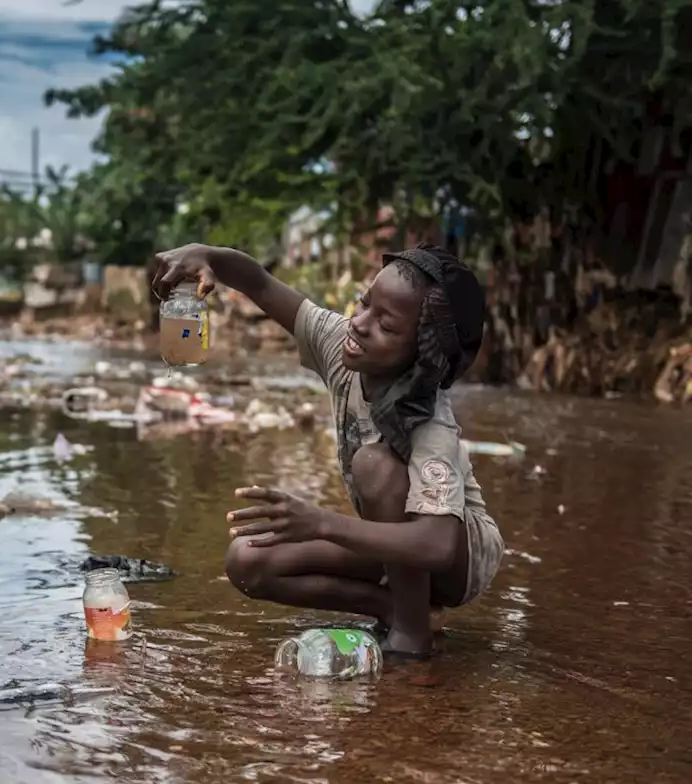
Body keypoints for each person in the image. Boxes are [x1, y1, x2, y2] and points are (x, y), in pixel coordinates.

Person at [153, 243, 503, 659]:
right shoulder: (340, 346)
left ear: (421, 359)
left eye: (387, 327)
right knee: (247, 561)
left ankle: (411, 638)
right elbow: (259, 283)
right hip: (398, 545)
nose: (359, 324)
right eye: (364, 304)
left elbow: (438, 544)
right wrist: (206, 255)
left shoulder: (430, 422)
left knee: (374, 465)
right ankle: (394, 609)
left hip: (459, 561)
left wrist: (320, 522)